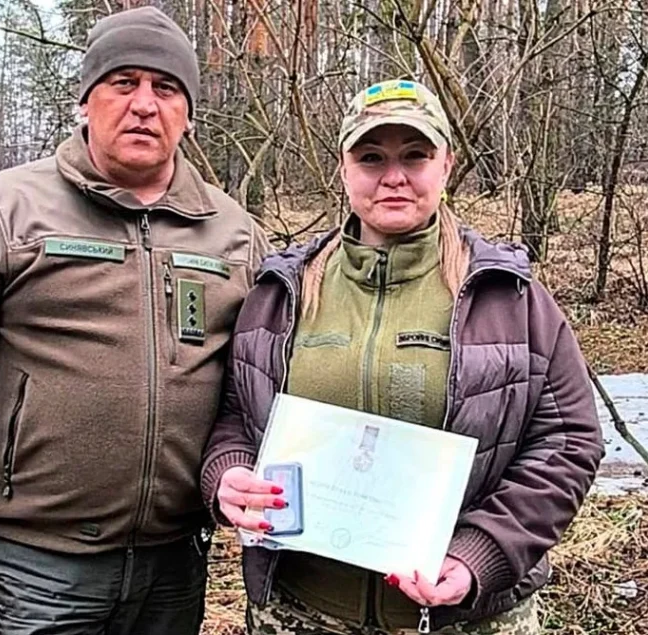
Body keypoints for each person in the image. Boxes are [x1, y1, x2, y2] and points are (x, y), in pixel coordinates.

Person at [0, 6, 270, 635]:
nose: (144, 104)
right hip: (38, 567)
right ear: (86, 101)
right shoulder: (5, 211)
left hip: (175, 566)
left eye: (166, 88)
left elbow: (252, 390)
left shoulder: (234, 234)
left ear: (188, 114)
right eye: (123, 83)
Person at [200, 79, 604, 635]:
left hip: (467, 620)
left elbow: (568, 442)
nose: (394, 176)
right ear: (343, 170)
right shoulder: (280, 292)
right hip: (299, 611)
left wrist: (479, 554)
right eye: (371, 158)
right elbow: (234, 417)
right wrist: (229, 473)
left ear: (447, 166)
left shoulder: (507, 297)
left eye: (415, 156)